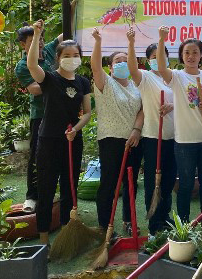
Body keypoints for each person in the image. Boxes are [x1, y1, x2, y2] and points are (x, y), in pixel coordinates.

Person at [26, 20, 92, 246]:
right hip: (48, 141)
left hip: (73, 140)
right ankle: (43, 238)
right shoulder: (50, 78)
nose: (72, 58)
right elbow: (32, 64)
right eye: (67, 54)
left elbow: (87, 113)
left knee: (69, 188)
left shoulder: (83, 82)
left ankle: (66, 233)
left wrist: (76, 129)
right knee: (45, 188)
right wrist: (36, 35)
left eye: (76, 54)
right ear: (58, 57)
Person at [160, 28, 202, 234]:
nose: (191, 56)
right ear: (181, 56)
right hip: (185, 140)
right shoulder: (177, 77)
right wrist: (161, 40)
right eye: (187, 52)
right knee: (185, 184)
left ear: (201, 55)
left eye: (195, 52)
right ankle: (184, 225)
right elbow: (161, 67)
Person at [91, 28, 144, 236]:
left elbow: (142, 110)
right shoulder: (106, 83)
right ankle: (105, 226)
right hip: (111, 141)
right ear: (111, 67)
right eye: (117, 61)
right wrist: (97, 42)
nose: (122, 64)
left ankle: (128, 221)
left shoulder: (136, 85)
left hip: (134, 140)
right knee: (109, 184)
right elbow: (95, 67)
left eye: (126, 60)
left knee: (131, 185)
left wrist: (136, 130)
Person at [126, 28, 177, 235]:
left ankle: (166, 220)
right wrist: (131, 43)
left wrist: (172, 107)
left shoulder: (175, 78)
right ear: (148, 61)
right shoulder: (145, 78)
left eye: (162, 55)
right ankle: (154, 223)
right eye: (154, 57)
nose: (159, 59)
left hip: (174, 137)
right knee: (152, 182)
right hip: (153, 138)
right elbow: (131, 68)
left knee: (168, 181)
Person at [15, 25, 62, 213]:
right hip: (40, 116)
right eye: (34, 39)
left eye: (41, 37)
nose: (40, 42)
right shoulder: (22, 65)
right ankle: (32, 197)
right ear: (23, 45)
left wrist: (73, 9)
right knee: (37, 156)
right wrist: (59, 82)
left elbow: (67, 33)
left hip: (59, 113)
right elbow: (34, 89)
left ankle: (50, 193)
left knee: (57, 155)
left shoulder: (50, 50)